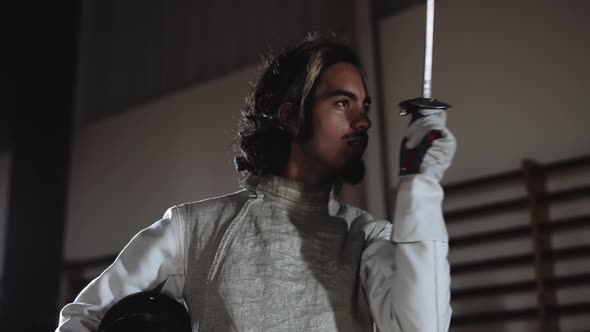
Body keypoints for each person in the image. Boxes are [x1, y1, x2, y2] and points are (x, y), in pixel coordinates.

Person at [57, 33, 456, 332]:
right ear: (291, 116)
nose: (363, 120)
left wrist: (419, 187)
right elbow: (80, 321)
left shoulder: (368, 237)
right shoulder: (194, 230)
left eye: (364, 106)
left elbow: (421, 328)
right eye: (342, 102)